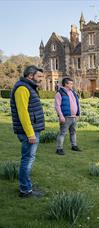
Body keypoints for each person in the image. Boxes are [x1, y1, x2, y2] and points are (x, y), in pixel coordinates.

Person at [10, 65, 45, 198]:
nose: (41, 79)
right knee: (27, 159)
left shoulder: (28, 87)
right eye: (39, 76)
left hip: (32, 129)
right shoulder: (22, 88)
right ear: (30, 76)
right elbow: (23, 113)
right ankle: (25, 190)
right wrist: (30, 134)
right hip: (28, 132)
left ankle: (26, 186)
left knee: (29, 158)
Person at [55, 77, 81, 155]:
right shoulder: (59, 93)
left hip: (74, 117)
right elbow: (57, 106)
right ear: (66, 84)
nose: (72, 85)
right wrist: (61, 116)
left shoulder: (73, 92)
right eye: (71, 83)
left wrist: (78, 114)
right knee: (62, 133)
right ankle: (59, 149)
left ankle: (74, 146)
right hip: (66, 117)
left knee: (73, 132)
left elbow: (77, 103)